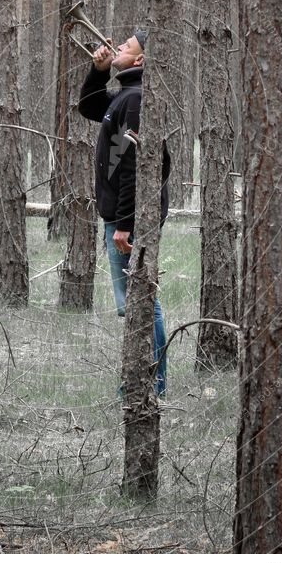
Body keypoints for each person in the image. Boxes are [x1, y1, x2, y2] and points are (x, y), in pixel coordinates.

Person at [78, 28, 171, 396]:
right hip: (120, 217)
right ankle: (141, 383)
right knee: (133, 300)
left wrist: (127, 223)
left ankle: (153, 386)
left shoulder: (136, 100)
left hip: (127, 219)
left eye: (125, 46)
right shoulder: (125, 97)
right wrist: (99, 71)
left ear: (140, 59)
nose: (116, 46)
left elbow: (136, 164)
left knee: (142, 298)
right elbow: (89, 108)